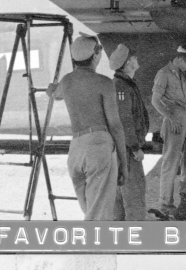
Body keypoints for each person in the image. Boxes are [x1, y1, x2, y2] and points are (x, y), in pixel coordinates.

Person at [48, 34, 127, 220]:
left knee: (90, 210)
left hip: (76, 149)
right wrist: (123, 162)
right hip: (98, 146)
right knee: (98, 214)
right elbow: (115, 126)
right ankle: (95, 247)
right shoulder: (104, 83)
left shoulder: (67, 81)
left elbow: (54, 93)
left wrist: (51, 88)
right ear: (96, 55)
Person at [151, 45, 186, 216]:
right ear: (179, 59)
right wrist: (170, 117)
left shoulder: (184, 73)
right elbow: (155, 100)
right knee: (171, 160)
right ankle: (165, 203)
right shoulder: (164, 74)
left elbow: (185, 89)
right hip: (174, 118)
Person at [108, 43, 149, 220]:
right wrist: (135, 148)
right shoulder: (121, 87)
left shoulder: (124, 84)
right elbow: (124, 120)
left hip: (121, 148)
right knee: (134, 192)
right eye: (133, 58)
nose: (136, 59)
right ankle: (136, 235)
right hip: (126, 150)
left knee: (121, 193)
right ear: (127, 63)